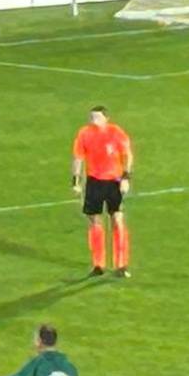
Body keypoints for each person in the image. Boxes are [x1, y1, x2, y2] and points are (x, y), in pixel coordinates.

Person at [72, 107, 134, 277]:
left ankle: (121, 265)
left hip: (114, 182)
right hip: (94, 182)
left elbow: (127, 154)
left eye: (97, 117)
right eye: (91, 117)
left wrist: (126, 177)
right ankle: (98, 264)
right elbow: (78, 157)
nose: (93, 120)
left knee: (117, 219)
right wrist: (76, 180)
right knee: (95, 222)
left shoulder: (116, 132)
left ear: (106, 118)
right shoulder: (84, 134)